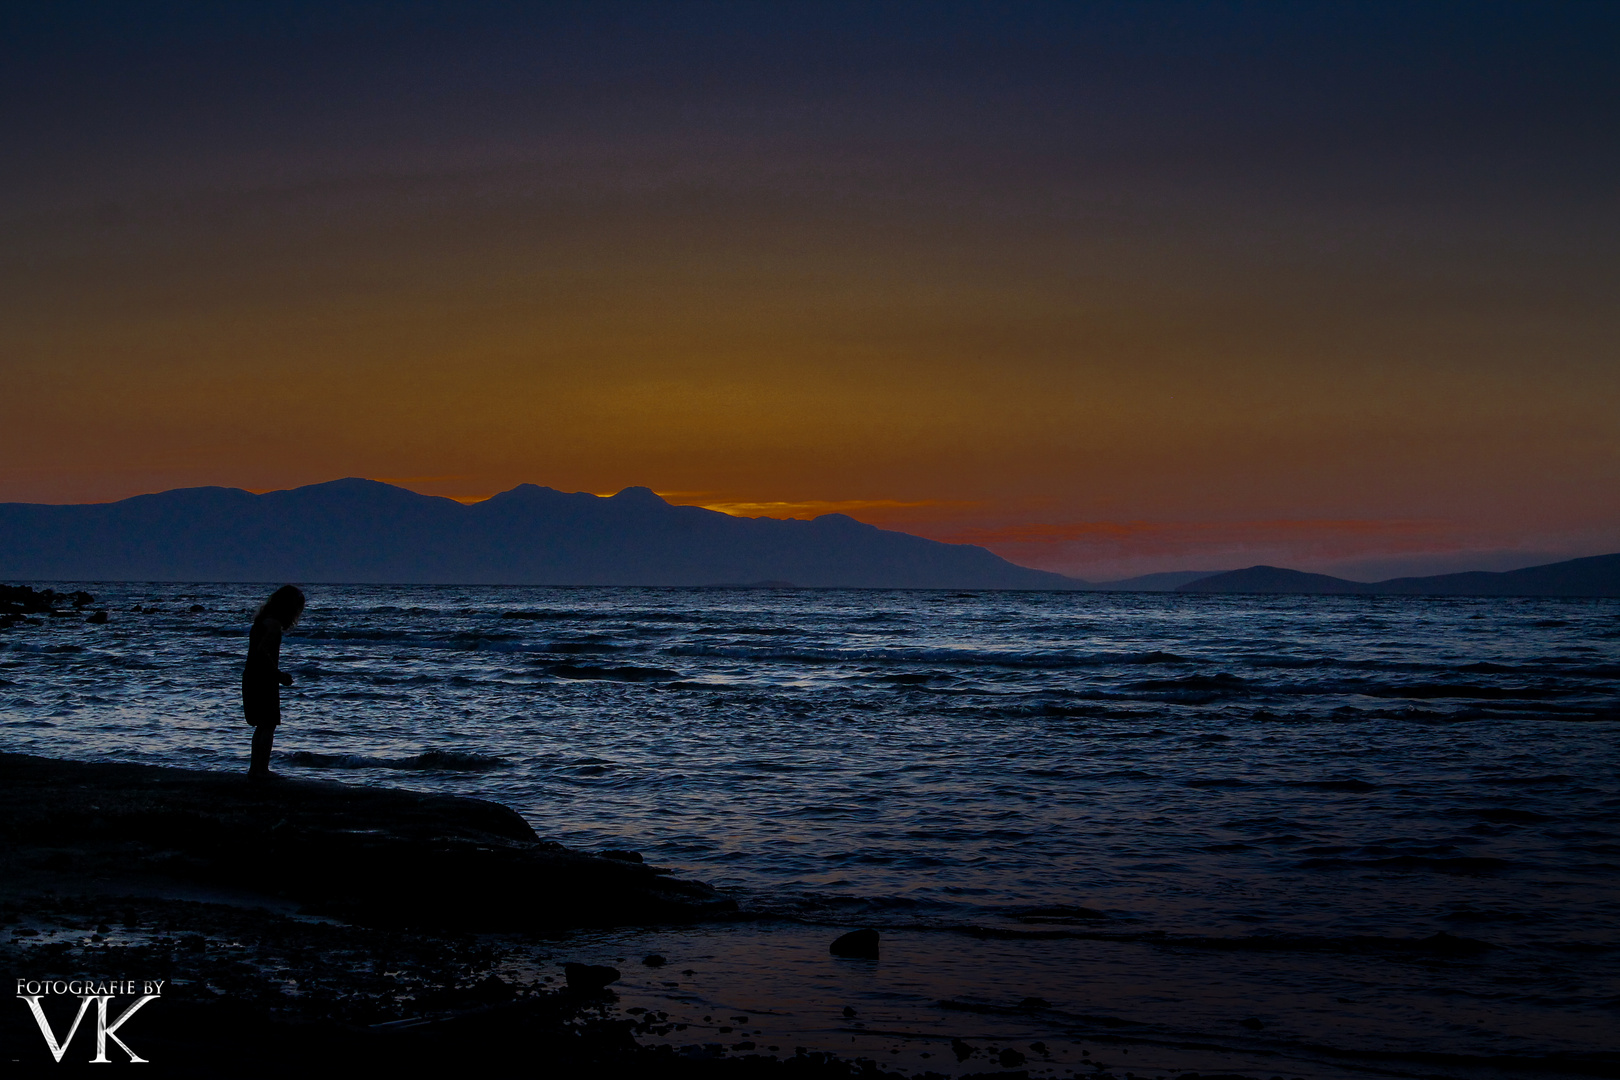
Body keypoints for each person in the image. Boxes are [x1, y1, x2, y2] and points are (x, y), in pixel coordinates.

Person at [244, 585, 305, 780]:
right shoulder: (273, 625)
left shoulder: (262, 621)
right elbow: (262, 651)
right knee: (268, 724)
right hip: (263, 677)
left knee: (262, 725)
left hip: (253, 675)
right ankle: (262, 770)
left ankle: (256, 769)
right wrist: (278, 674)